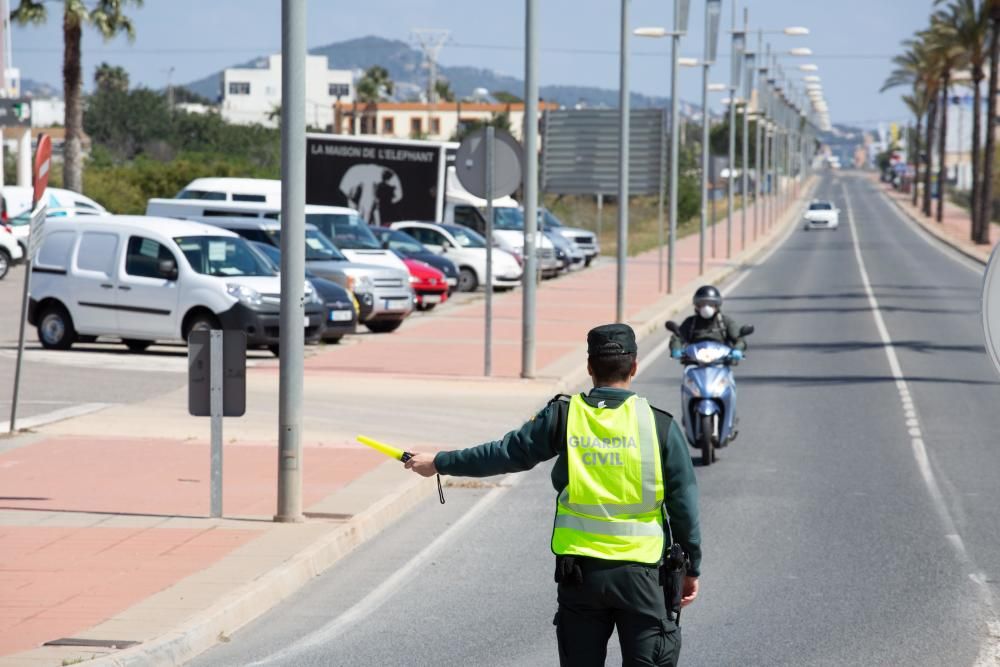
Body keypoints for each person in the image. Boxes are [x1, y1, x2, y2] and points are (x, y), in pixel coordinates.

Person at [405, 323, 701, 666]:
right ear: (634, 366)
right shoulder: (658, 425)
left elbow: (504, 454)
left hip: (581, 576)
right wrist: (691, 567)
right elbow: (684, 507)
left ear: (589, 368)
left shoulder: (565, 416)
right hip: (644, 575)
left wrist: (440, 462)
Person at [669, 285, 747, 361]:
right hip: (694, 363)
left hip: (721, 363)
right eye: (702, 304)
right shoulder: (690, 322)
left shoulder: (725, 321)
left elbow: (739, 339)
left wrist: (737, 349)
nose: (706, 307)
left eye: (711, 304)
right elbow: (678, 337)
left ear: (717, 305)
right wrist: (676, 349)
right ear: (697, 305)